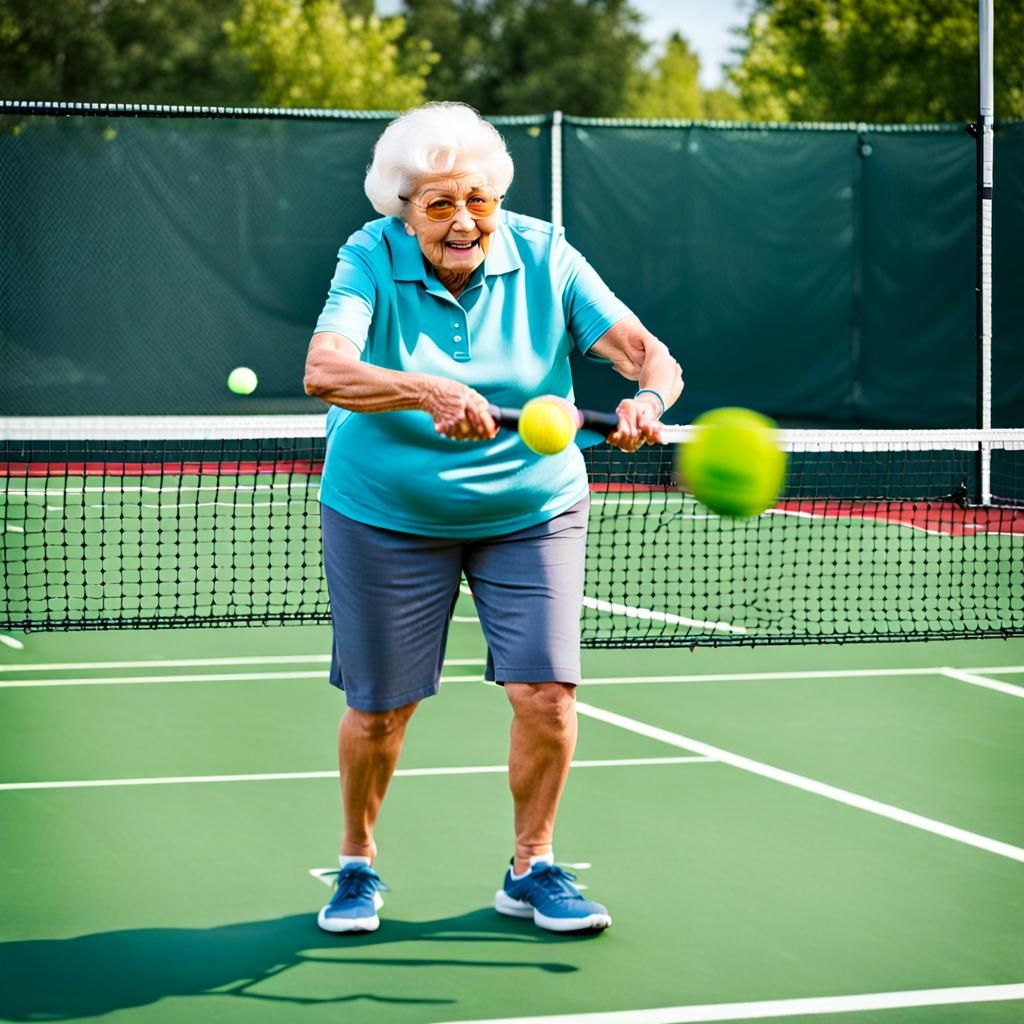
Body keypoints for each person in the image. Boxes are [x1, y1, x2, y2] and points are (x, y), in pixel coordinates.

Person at [303, 102, 683, 935]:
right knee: (380, 709)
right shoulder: (369, 256)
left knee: (547, 695)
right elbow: (325, 370)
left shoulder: (546, 255)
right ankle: (357, 862)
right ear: (404, 210)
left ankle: (532, 866)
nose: (464, 221)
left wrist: (647, 401)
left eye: (478, 200)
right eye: (439, 204)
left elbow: (648, 354)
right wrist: (427, 389)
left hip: (532, 506)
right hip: (386, 510)